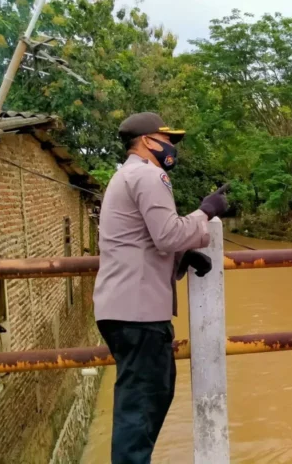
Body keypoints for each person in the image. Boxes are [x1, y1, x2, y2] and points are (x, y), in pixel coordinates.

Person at [93, 112, 229, 463]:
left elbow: (139, 241)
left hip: (124, 309)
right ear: (148, 142)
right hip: (138, 315)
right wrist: (205, 213)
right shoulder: (150, 175)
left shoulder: (125, 175)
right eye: (167, 140)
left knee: (147, 399)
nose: (171, 147)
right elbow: (167, 234)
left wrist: (183, 257)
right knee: (140, 411)